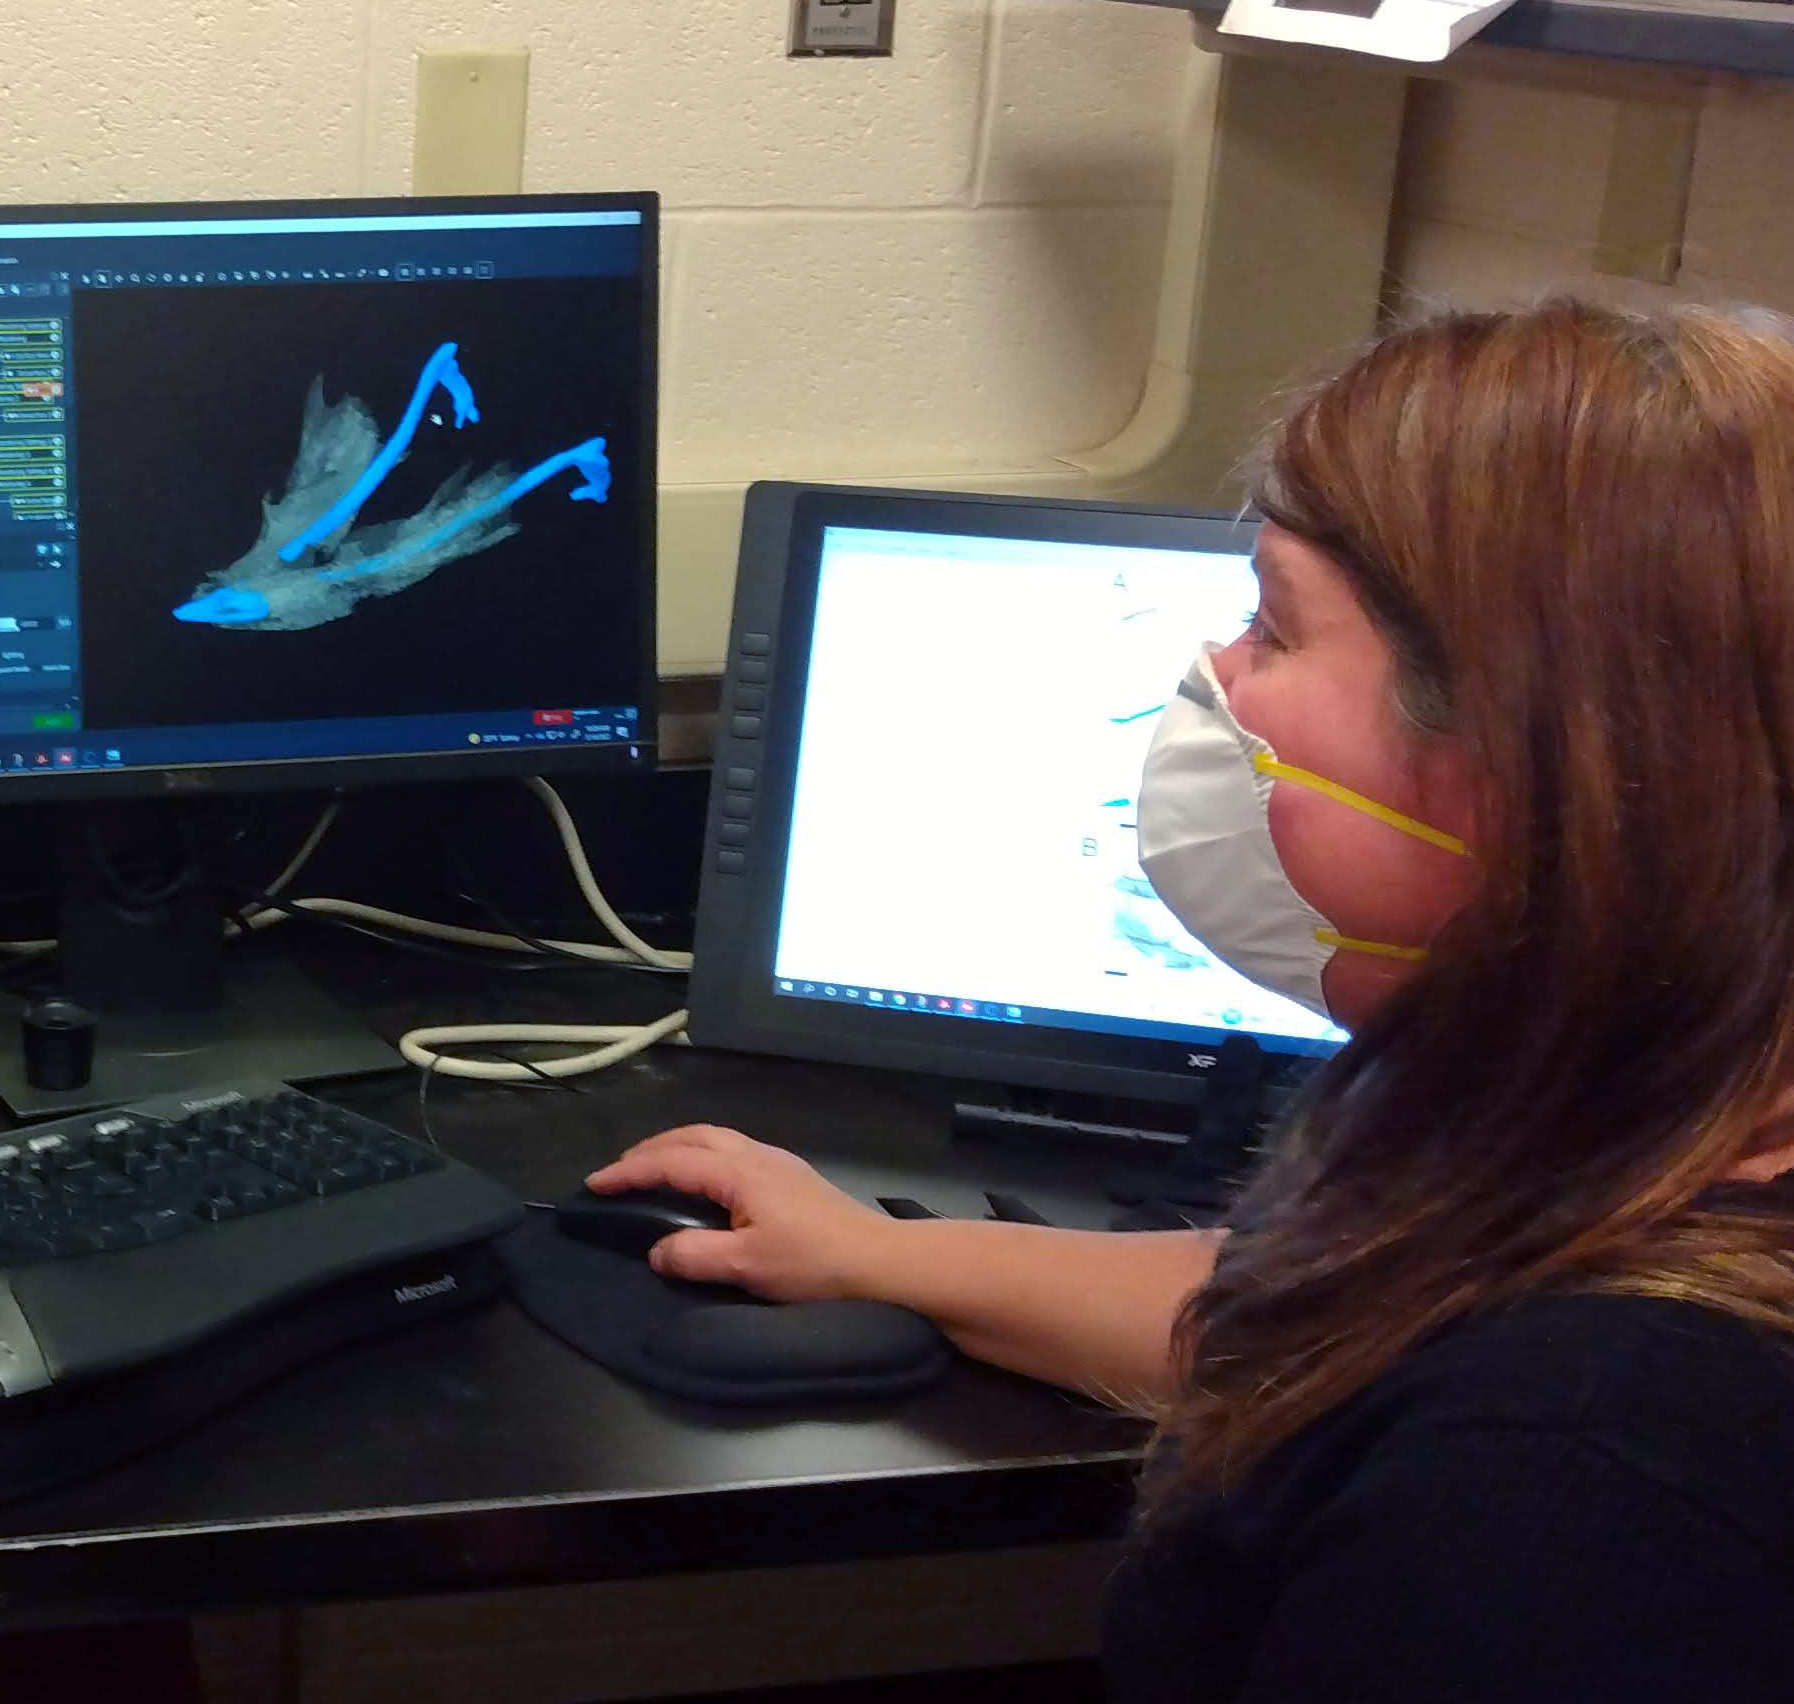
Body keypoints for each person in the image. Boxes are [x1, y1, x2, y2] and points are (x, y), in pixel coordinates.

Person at [591, 300, 1794, 1700]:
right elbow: (1307, 1305)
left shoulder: (1572, 1479)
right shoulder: (1622, 1117)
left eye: (1272, 626)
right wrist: (869, 1252)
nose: (1216, 677)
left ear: (1533, 755)